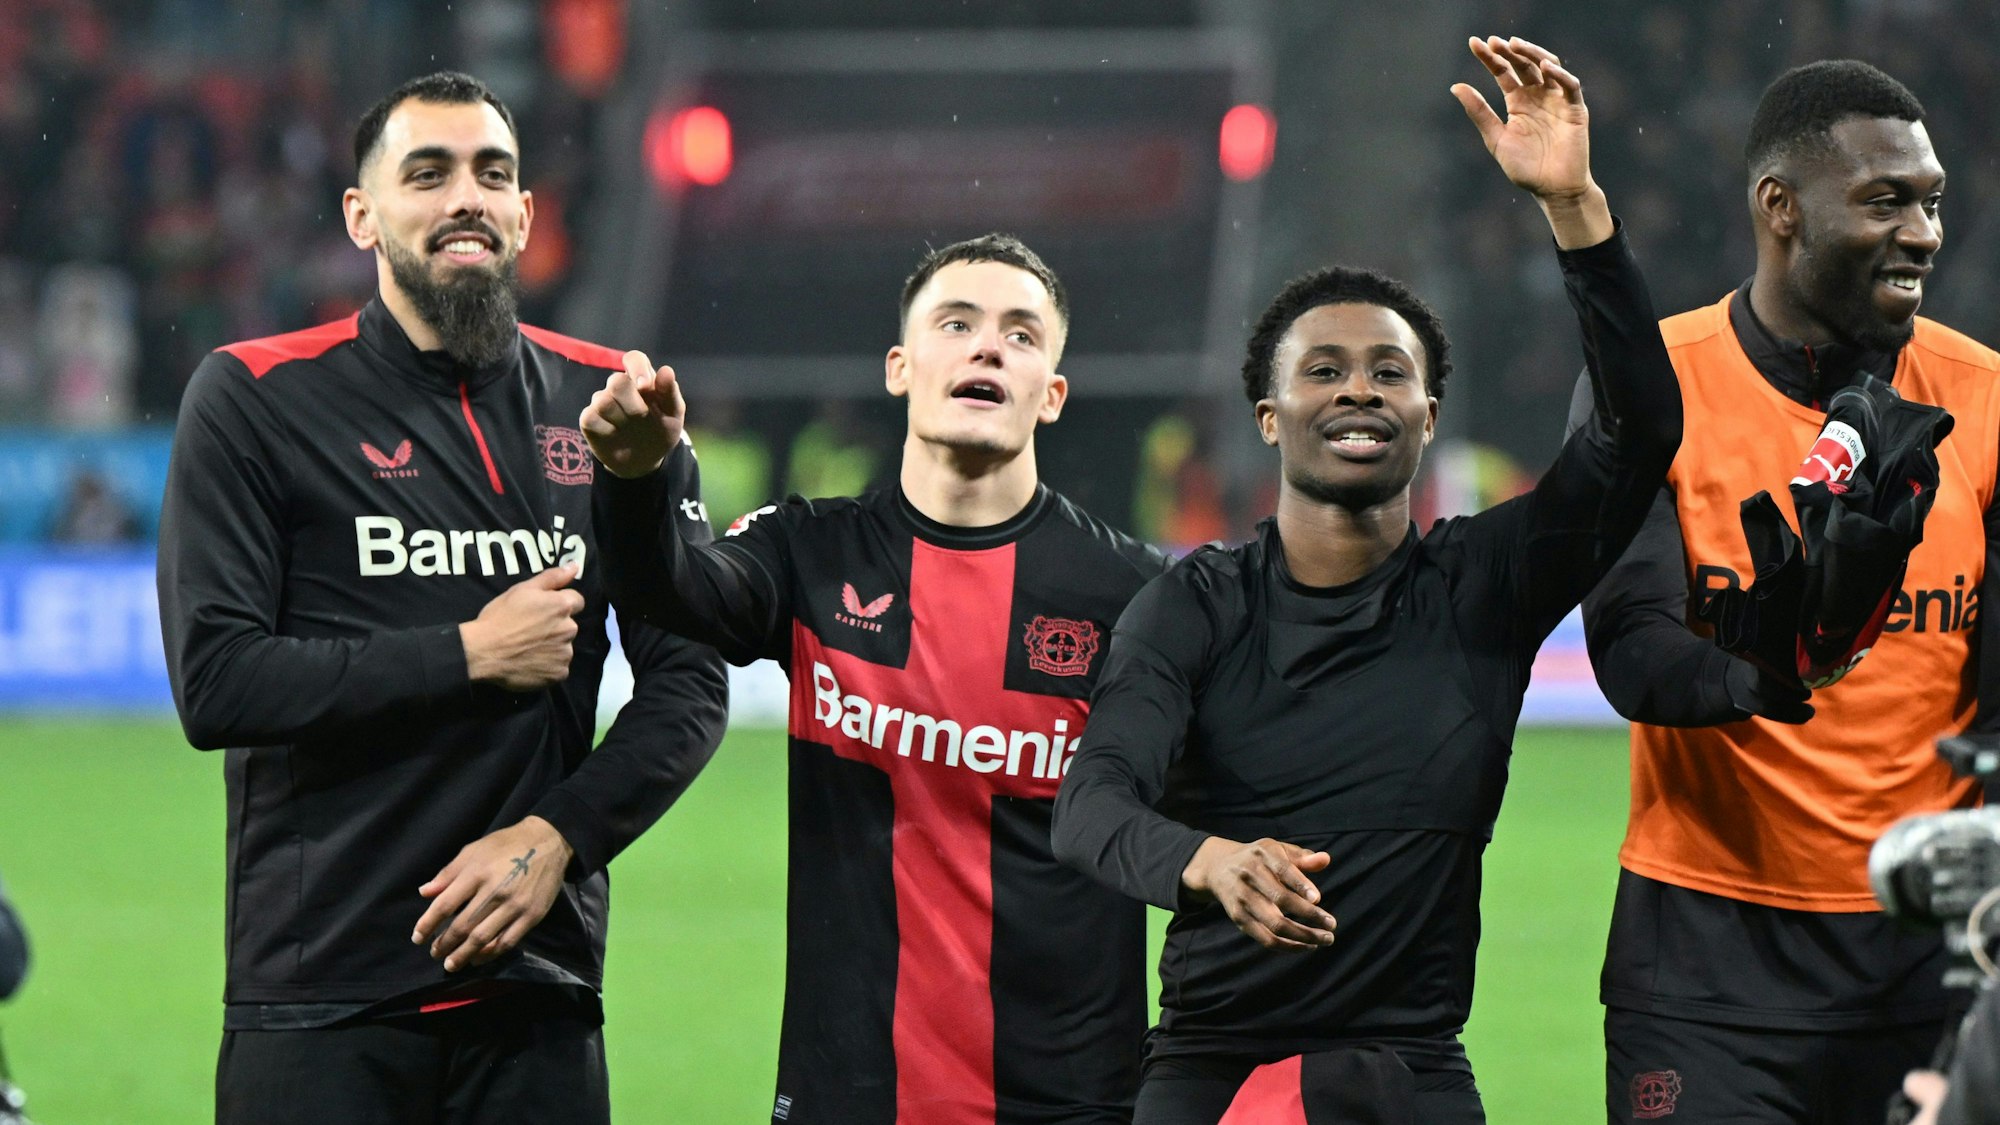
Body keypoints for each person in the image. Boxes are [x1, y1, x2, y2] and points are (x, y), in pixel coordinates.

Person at [1050, 36, 1679, 1124]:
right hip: (1211, 1068)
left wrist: (1574, 210)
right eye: (1323, 371)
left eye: (1392, 372)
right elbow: (1090, 806)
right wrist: (1207, 862)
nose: (1359, 390)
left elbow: (1636, 433)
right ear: (1269, 416)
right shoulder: (1192, 605)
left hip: (1411, 1068)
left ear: (1428, 417)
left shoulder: (1485, 585)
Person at [155, 71, 729, 1125]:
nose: (465, 194)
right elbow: (217, 681)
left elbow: (688, 688)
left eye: (492, 173)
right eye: (427, 173)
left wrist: (558, 837)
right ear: (361, 216)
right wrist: (466, 651)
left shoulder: (612, 406)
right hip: (321, 1000)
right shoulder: (255, 397)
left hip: (537, 996)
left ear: (522, 213)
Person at [580, 232, 1170, 1123]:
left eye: (1020, 333)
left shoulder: (1132, 597)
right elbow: (674, 590)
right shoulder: (812, 551)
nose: (986, 345)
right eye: (958, 322)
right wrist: (634, 481)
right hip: (847, 1096)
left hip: (1071, 1103)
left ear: (1051, 393)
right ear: (900, 366)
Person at [1574, 60, 1997, 1125]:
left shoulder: (1985, 400)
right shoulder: (1654, 383)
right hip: (1706, 971)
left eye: (1929, 201)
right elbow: (1629, 646)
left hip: (1932, 963)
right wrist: (1765, 669)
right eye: (1882, 200)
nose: (1921, 232)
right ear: (1779, 208)